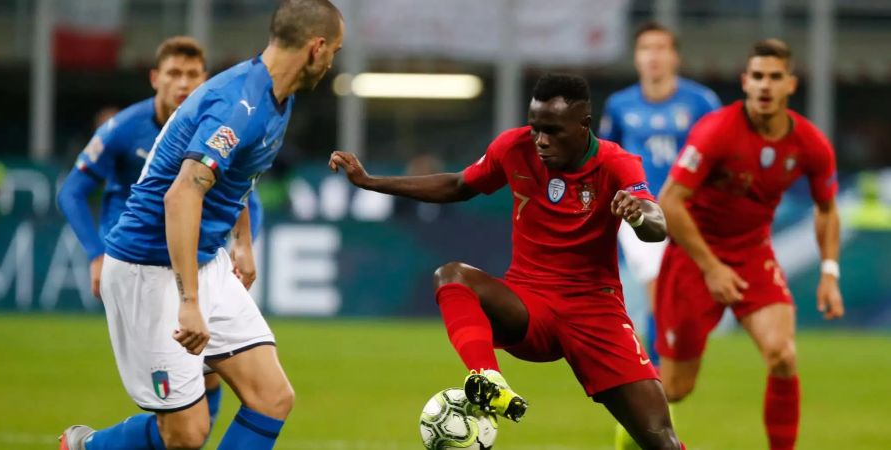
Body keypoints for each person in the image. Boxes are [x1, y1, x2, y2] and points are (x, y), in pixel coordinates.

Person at [331, 73, 687, 449]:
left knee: (661, 440)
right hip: (528, 306)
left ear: (583, 125)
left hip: (595, 314)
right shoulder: (514, 148)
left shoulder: (616, 162)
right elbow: (458, 185)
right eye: (535, 128)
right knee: (452, 275)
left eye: (552, 131)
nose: (541, 141)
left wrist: (636, 215)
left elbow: (657, 225)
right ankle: (488, 378)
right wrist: (371, 182)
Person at [58, 1, 344, 449]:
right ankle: (86, 447)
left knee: (272, 398)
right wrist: (189, 300)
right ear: (317, 47)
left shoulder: (277, 98)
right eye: (335, 51)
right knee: (187, 435)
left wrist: (243, 242)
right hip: (151, 271)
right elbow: (181, 195)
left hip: (207, 259)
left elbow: (238, 177)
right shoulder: (238, 104)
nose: (333, 62)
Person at [656, 39, 844, 450]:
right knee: (673, 388)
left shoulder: (810, 144)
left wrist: (829, 272)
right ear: (745, 81)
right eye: (757, 76)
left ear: (790, 85)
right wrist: (711, 268)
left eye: (775, 77)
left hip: (752, 254)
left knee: (782, 354)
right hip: (692, 257)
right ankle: (629, 437)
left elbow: (827, 209)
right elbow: (670, 201)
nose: (765, 85)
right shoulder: (717, 131)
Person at [599, 21, 721, 370]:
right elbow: (609, 155)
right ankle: (650, 374)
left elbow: (716, 155)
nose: (653, 56)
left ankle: (651, 369)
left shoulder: (701, 102)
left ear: (674, 57)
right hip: (640, 210)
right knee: (658, 289)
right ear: (637, 58)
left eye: (661, 48)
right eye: (646, 49)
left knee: (676, 303)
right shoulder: (620, 105)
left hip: (687, 213)